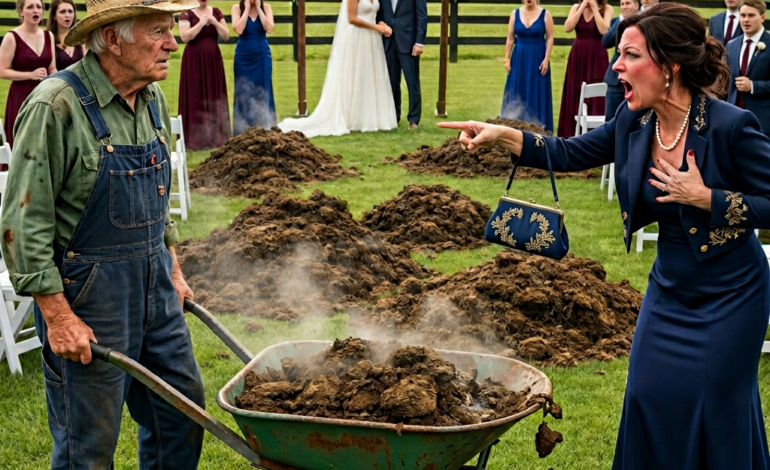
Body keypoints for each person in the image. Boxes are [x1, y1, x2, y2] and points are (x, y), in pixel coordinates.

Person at [440, 4, 770, 468]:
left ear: (670, 66)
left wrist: (708, 198)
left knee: (712, 402)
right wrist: (503, 135)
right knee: (647, 396)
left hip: (733, 294)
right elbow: (568, 151)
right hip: (669, 291)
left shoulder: (731, 126)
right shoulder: (633, 122)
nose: (615, 65)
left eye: (630, 55)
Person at [0, 0, 206, 465]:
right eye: (158, 32)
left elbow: (159, 192)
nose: (173, 43)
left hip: (155, 283)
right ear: (113, 38)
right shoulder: (55, 106)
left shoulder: (152, 98)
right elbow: (22, 223)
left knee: (181, 414)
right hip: (89, 295)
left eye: (171, 30)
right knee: (88, 447)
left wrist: (171, 265)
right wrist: (57, 316)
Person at [278, 0, 397, 137]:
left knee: (368, 77)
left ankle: (368, 118)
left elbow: (373, 14)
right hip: (357, 36)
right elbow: (352, 19)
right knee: (355, 76)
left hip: (371, 39)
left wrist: (381, 24)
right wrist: (376, 28)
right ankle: (352, 118)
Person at [0, 0, 56, 148]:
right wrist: (30, 75)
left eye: (39, 7)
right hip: (21, 96)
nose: (35, 10)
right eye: (30, 7)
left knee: (45, 140)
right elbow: (2, 71)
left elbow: (52, 68)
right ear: (21, 11)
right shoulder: (12, 37)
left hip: (45, 95)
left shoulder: (48, 35)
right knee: (22, 141)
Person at [178, 0, 231, 149]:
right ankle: (197, 139)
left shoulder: (216, 12)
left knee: (215, 94)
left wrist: (215, 22)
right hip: (194, 60)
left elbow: (226, 35)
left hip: (213, 59)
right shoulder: (187, 13)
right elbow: (185, 37)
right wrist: (201, 23)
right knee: (195, 94)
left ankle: (216, 136)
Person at [557, 0, 613, 138]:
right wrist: (581, 7)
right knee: (574, 90)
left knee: (596, 90)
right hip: (578, 54)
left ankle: (595, 135)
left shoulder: (607, 9)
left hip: (597, 55)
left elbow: (604, 30)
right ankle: (571, 134)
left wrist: (594, 8)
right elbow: (568, 27)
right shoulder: (576, 7)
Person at [500, 0, 554, 132]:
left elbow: (550, 38)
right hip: (519, 57)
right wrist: (507, 59)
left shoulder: (545, 14)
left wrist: (546, 59)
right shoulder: (515, 13)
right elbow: (510, 38)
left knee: (537, 89)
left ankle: (539, 127)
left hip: (538, 57)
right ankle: (514, 125)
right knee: (518, 88)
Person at [376, 0, 427, 129]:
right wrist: (381, 23)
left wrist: (419, 42)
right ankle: (394, 117)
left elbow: (422, 16)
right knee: (392, 83)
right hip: (388, 42)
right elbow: (379, 14)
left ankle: (414, 119)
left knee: (412, 83)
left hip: (409, 43)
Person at [726, 0, 770, 136]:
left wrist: (752, 86)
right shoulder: (732, 45)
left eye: (751, 15)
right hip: (733, 117)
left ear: (762, 17)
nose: (746, 20)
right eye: (743, 15)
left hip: (763, 120)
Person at [232, 0, 276, 134]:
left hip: (261, 54)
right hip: (243, 55)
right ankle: (242, 129)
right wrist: (245, 10)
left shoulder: (266, 7)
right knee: (242, 90)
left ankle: (264, 126)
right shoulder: (236, 8)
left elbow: (269, 28)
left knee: (263, 87)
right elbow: (238, 29)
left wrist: (258, 8)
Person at [602, 0, 639, 121]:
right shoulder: (616, 21)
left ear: (636, 5)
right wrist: (621, 20)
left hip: (635, 79)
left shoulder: (643, 23)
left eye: (627, 3)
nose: (624, 7)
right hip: (614, 80)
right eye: (622, 4)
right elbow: (606, 42)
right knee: (611, 119)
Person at [47, 0, 84, 71]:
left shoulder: (80, 39)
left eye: (70, 11)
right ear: (54, 16)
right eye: (62, 12)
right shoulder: (48, 39)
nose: (67, 15)